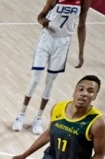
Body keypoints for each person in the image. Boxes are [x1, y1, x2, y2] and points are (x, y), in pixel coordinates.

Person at [12, 0, 91, 135]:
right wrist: (44, 22)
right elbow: (40, 16)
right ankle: (21, 115)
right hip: (47, 39)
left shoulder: (84, 1)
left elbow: (82, 25)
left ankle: (38, 118)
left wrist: (81, 51)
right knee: (35, 79)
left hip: (63, 42)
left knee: (50, 82)